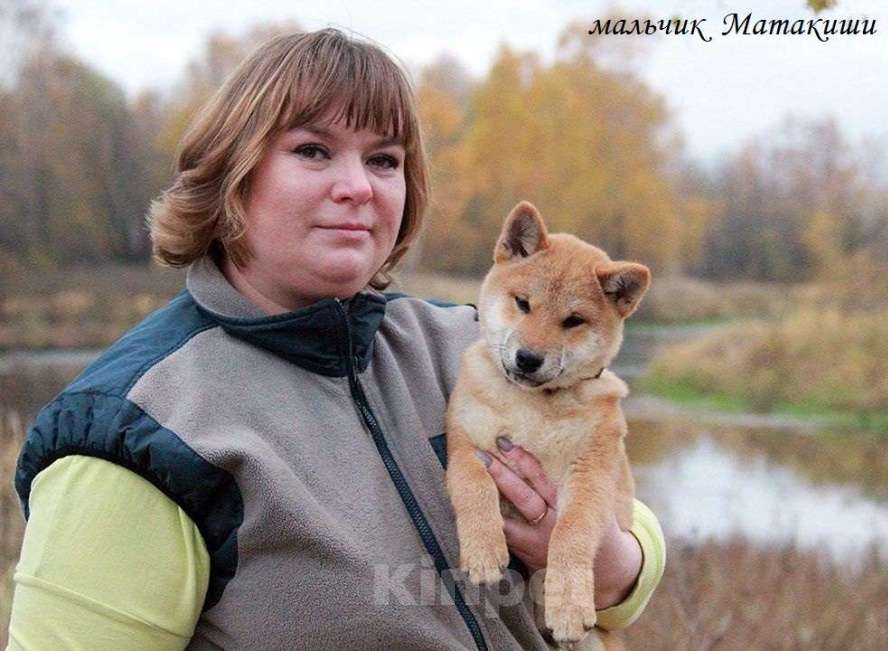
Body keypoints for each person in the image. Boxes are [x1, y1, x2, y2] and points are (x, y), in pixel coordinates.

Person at [7, 28, 665, 650]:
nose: (356, 187)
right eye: (313, 150)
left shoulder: (465, 348)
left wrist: (617, 565)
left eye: (383, 160)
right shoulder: (140, 433)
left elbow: (619, 512)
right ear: (234, 173)